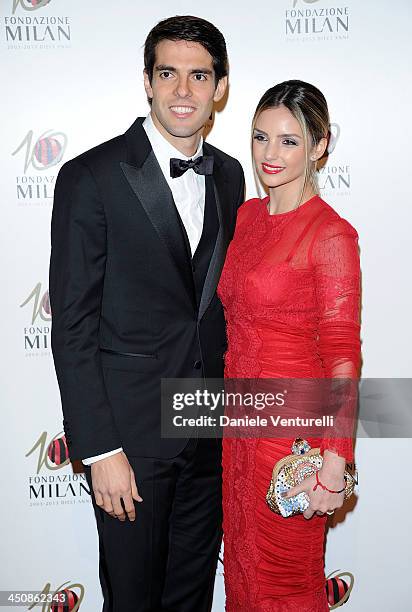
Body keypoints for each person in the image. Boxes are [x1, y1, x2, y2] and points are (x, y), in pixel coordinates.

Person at [49, 15, 245, 612]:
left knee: (191, 598)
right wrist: (100, 448)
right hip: (130, 442)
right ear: (147, 81)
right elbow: (74, 325)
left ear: (220, 87)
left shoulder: (233, 175)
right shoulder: (91, 176)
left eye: (199, 75)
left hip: (209, 431)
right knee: (132, 600)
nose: (183, 91)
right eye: (169, 74)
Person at [217, 80, 361, 611]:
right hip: (240, 431)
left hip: (292, 444)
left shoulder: (330, 234)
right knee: (244, 579)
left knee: (287, 583)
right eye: (260, 138)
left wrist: (335, 461)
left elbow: (343, 352)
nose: (270, 155)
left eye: (289, 141)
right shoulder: (247, 218)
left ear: (320, 145)